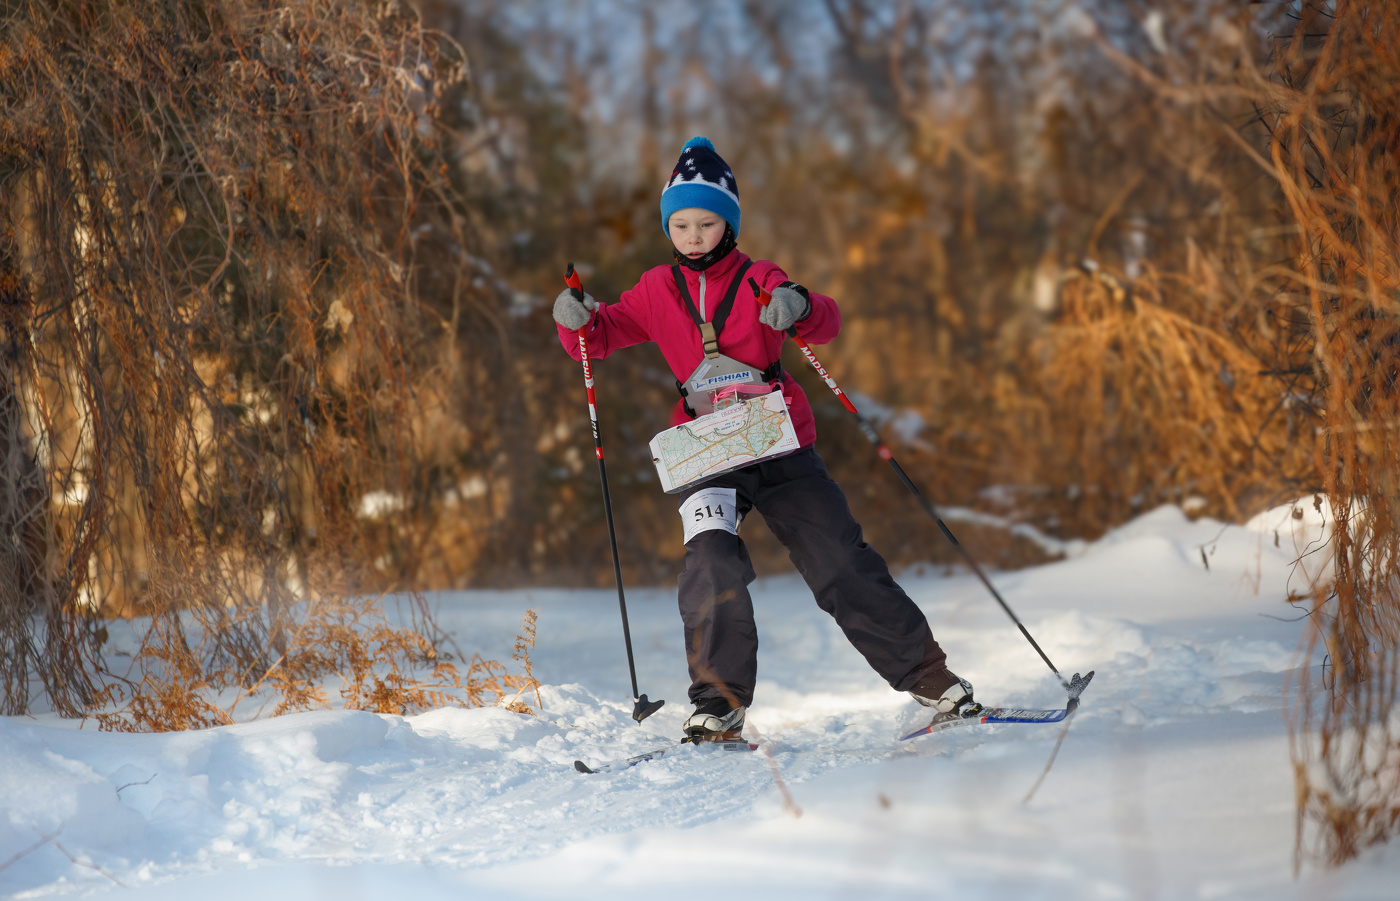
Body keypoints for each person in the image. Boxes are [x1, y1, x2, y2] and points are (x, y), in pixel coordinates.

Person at [553, 137, 972, 740]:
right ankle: (719, 702)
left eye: (706, 222)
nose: (693, 235)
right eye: (680, 224)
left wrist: (795, 304)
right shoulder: (654, 289)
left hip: (780, 444)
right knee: (710, 561)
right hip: (708, 452)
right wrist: (578, 321)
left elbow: (823, 318)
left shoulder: (757, 277)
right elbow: (600, 336)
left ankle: (931, 679)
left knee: (838, 559)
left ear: (729, 224)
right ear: (667, 228)